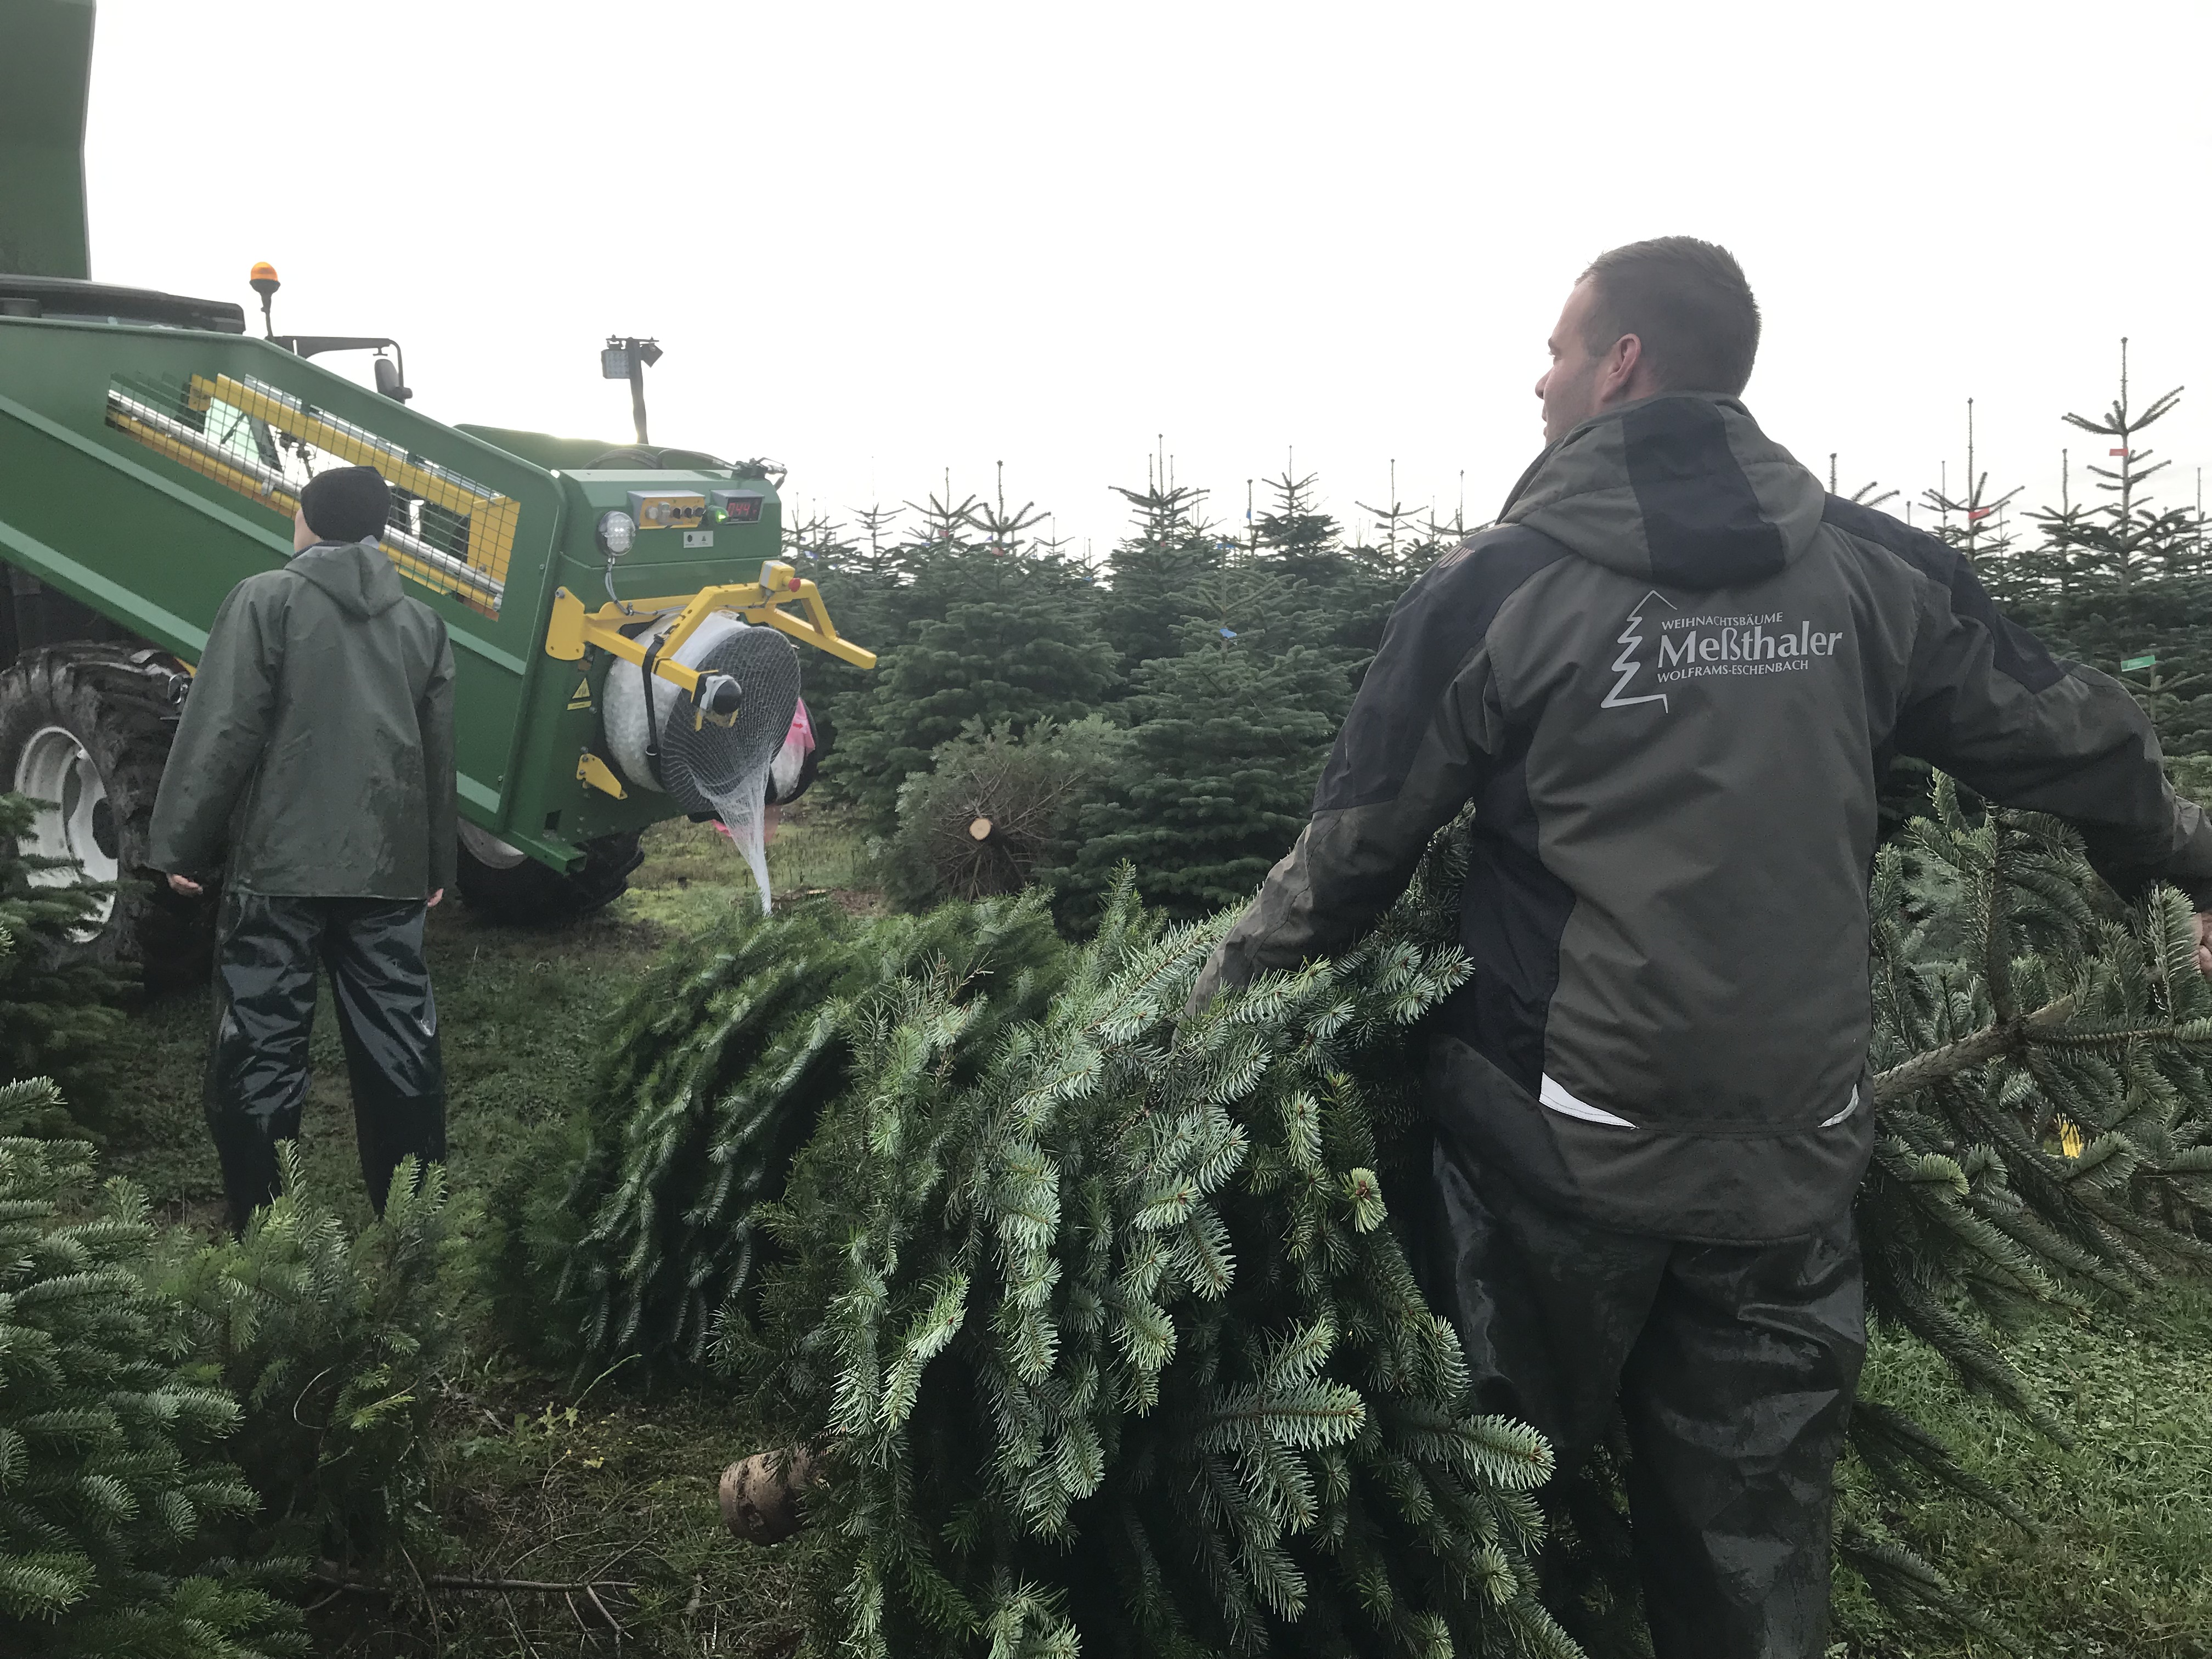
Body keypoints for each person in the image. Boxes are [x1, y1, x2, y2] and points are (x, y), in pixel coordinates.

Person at [1189, 236, 2212, 1657]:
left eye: (1556, 347)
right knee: (1754, 1552)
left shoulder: (1502, 588)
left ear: (1623, 362)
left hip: (1558, 1152)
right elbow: (2073, 733)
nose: (1536, 377)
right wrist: (2187, 858)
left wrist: (1202, 1016)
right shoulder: (1865, 570)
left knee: (1497, 1507)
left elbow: (1354, 852)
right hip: (1794, 1154)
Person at [151, 464, 457, 1233]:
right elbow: (435, 752)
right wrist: (435, 866)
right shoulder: (421, 623)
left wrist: (184, 842)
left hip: (277, 869)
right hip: (387, 864)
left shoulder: (265, 600)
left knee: (259, 1046)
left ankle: (269, 1237)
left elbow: (226, 727)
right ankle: (414, 1227)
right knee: (400, 1044)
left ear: (308, 521)